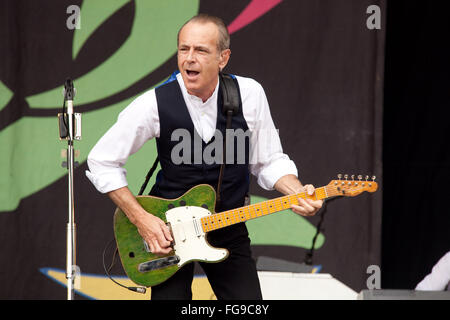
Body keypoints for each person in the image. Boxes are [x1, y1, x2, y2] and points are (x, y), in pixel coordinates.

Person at [86, 14, 322, 300]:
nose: (189, 58)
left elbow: (268, 160)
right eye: (184, 49)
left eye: (200, 50)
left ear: (223, 58)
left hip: (227, 226)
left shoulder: (249, 94)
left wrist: (296, 192)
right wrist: (142, 220)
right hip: (168, 233)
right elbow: (102, 160)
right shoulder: (155, 103)